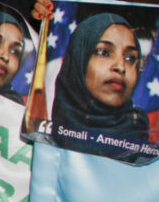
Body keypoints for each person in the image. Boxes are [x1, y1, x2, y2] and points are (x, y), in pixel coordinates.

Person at [52, 13, 148, 159]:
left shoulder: (145, 149)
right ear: (79, 59)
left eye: (130, 58)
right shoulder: (39, 135)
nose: (121, 67)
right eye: (104, 52)